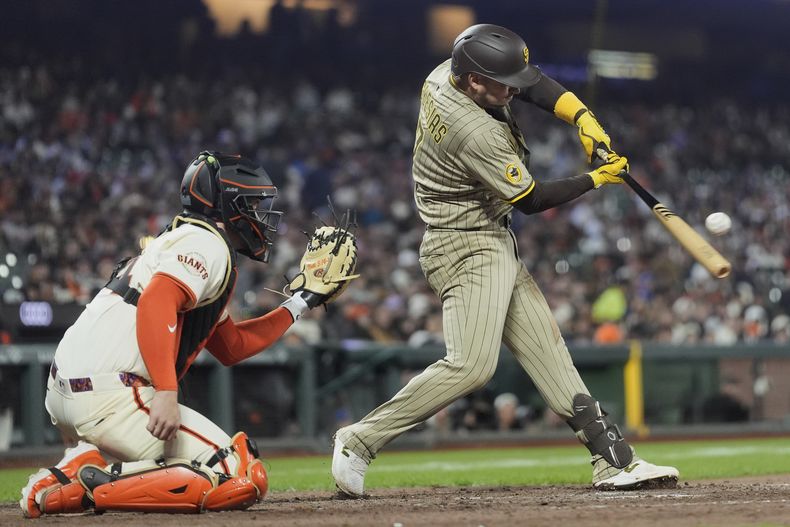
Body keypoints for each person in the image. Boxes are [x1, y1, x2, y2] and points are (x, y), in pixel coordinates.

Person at [332, 23, 679, 495]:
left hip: (485, 237)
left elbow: (534, 84)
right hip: (465, 242)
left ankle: (612, 459)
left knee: (549, 352)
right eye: (502, 84)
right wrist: (596, 178)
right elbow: (531, 200)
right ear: (474, 81)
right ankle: (360, 440)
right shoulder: (471, 129)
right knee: (472, 365)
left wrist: (580, 117)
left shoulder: (446, 72)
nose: (513, 90)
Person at [20, 152, 331, 517]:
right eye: (251, 203)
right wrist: (166, 392)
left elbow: (232, 347)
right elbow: (156, 302)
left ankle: (72, 474)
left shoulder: (179, 240)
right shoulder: (209, 244)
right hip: (112, 392)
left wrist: (301, 302)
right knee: (238, 474)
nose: (260, 215)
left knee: (221, 472)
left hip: (69, 389)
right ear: (227, 205)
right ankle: (84, 482)